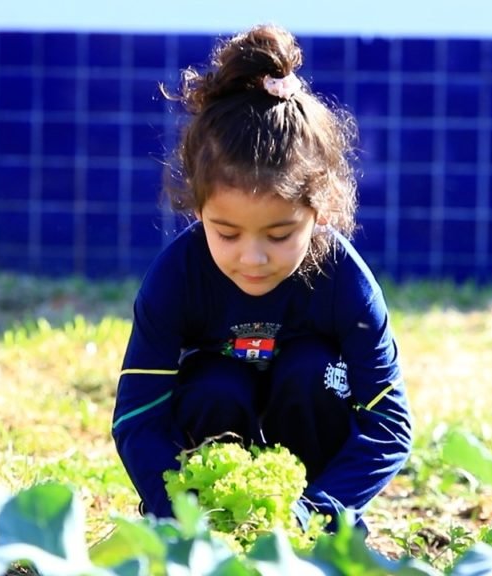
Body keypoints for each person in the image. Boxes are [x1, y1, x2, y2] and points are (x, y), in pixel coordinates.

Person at [111, 23, 412, 534]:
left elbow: (389, 426)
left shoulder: (347, 282)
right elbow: (137, 420)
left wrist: (317, 511)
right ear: (197, 209)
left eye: (278, 234)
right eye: (226, 233)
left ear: (318, 212)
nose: (253, 258)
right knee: (214, 385)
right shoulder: (175, 277)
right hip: (211, 444)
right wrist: (178, 511)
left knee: (311, 371)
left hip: (310, 488)